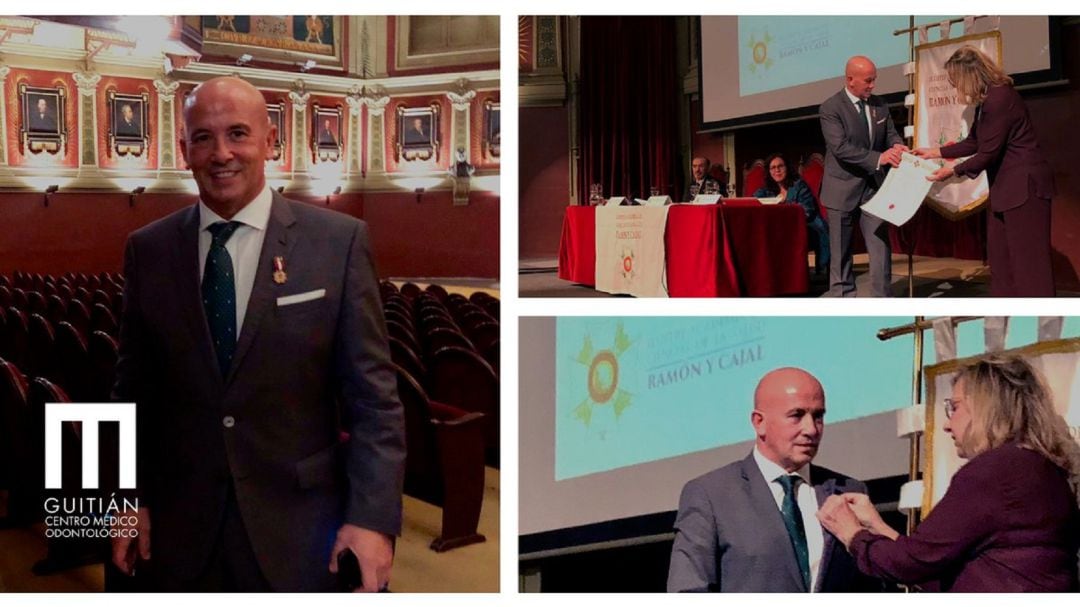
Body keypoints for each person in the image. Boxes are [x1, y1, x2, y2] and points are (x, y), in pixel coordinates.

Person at [109, 76, 405, 592]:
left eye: (238, 133)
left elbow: (374, 401)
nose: (221, 153)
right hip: (178, 532)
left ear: (270, 141)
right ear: (184, 150)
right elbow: (130, 392)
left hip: (302, 531)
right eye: (203, 137)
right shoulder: (148, 250)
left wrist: (374, 519)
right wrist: (120, 499)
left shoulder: (338, 243)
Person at [817, 356, 1080, 592]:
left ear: (985, 407)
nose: (946, 424)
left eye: (954, 407)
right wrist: (878, 526)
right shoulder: (1044, 468)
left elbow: (911, 563)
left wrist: (851, 534)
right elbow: (938, 564)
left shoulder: (994, 471)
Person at [667, 367, 878, 592]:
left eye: (818, 416)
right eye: (796, 415)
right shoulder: (711, 494)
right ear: (759, 422)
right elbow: (688, 590)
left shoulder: (848, 492)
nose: (811, 429)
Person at [913, 46, 1055, 297]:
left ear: (969, 75)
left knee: (1029, 266)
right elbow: (974, 141)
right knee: (1001, 263)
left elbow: (987, 153)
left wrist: (952, 171)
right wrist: (933, 152)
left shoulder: (1000, 99)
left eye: (956, 81)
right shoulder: (988, 99)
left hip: (1024, 190)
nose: (956, 88)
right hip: (1006, 191)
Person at [819, 56, 907, 297]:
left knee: (880, 247)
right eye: (868, 81)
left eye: (874, 80)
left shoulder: (880, 105)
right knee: (841, 254)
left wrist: (898, 147)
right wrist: (880, 158)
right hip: (841, 189)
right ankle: (844, 299)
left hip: (872, 188)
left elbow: (891, 135)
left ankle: (882, 299)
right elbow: (841, 148)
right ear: (850, 80)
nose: (872, 86)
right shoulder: (830, 108)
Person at [753, 153, 830, 276]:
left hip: (807, 226)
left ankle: (797, 275)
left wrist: (784, 207)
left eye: (780, 166)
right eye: (773, 168)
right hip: (779, 228)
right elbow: (754, 200)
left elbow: (807, 211)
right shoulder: (767, 189)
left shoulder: (799, 185)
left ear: (787, 168)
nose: (777, 170)